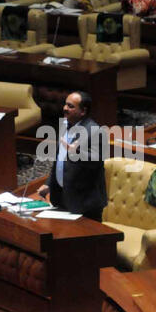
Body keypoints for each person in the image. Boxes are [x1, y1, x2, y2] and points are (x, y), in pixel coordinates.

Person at [37, 91, 107, 222]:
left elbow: (97, 161)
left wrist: (77, 153)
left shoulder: (95, 131)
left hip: (84, 203)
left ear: (83, 111)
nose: (65, 108)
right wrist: (49, 184)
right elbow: (59, 161)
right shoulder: (65, 124)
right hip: (62, 197)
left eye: (70, 106)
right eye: (65, 104)